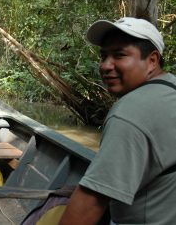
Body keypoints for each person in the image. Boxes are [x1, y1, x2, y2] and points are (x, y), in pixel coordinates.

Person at [59, 17, 176, 225]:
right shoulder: (170, 88)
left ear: (152, 61)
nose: (105, 66)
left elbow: (91, 203)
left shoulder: (131, 112)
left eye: (119, 55)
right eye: (103, 56)